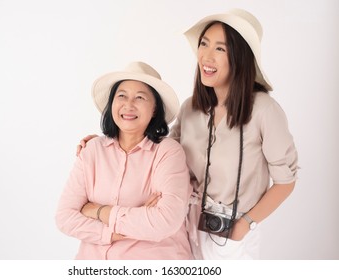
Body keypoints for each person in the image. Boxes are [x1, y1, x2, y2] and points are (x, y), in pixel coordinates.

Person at [77, 9, 298, 260]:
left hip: (234, 233)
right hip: (187, 226)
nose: (206, 55)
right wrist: (107, 143)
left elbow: (285, 181)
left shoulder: (264, 110)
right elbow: (157, 150)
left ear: (240, 58)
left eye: (220, 49)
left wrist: (245, 224)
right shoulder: (191, 108)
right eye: (204, 44)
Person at [56, 61, 193, 260]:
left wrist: (98, 211)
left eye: (140, 97)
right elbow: (65, 217)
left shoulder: (168, 152)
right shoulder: (93, 150)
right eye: (122, 95)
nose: (129, 105)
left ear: (154, 109)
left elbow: (165, 221)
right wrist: (111, 233)